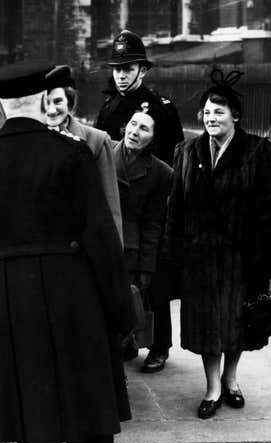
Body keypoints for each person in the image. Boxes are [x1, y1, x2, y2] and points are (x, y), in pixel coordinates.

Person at [0, 61, 132, 443]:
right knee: (88, 423)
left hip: (10, 304)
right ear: (40, 100)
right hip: (76, 300)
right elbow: (102, 242)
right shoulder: (72, 155)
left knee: (31, 426)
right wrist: (120, 314)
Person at [165, 69, 271, 419]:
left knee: (237, 322)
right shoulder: (186, 151)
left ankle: (232, 380)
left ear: (236, 116)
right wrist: (171, 254)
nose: (211, 117)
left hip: (241, 257)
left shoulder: (259, 151)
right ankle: (212, 387)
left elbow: (270, 208)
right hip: (199, 257)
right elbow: (176, 206)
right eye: (206, 112)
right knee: (206, 324)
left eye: (218, 112)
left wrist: (270, 258)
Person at [94, 29, 184, 367]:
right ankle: (127, 338)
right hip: (118, 201)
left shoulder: (160, 108)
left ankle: (159, 345)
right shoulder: (109, 107)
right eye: (117, 68)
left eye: (128, 69)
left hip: (151, 200)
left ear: (142, 71)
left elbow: (172, 160)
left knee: (155, 276)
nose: (120, 75)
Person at [114, 104, 173, 367]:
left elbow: (153, 223)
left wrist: (147, 267)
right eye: (133, 124)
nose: (135, 131)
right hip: (106, 238)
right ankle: (121, 345)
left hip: (136, 244)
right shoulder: (104, 153)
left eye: (144, 128)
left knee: (147, 294)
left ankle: (158, 348)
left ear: (153, 138)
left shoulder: (161, 173)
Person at [45, 65, 122, 242]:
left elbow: (110, 208)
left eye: (58, 102)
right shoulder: (32, 141)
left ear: (69, 103)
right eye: (45, 102)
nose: (51, 110)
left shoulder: (96, 141)